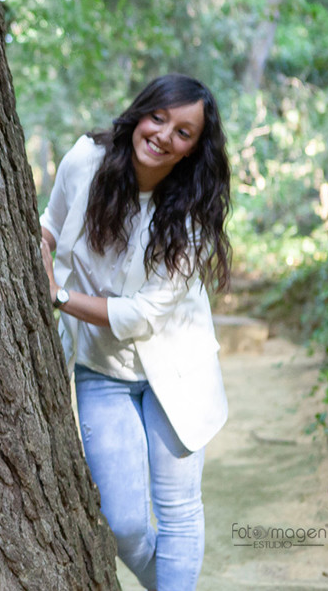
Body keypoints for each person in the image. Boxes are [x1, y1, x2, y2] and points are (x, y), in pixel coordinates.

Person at [39, 74, 232, 591]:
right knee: (123, 523)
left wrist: (57, 296)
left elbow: (142, 314)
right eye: (159, 117)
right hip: (101, 368)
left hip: (178, 372)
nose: (165, 134)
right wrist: (42, 264)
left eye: (184, 133)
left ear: (192, 151)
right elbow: (48, 226)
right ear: (140, 115)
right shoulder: (86, 160)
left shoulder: (191, 215)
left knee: (178, 510)